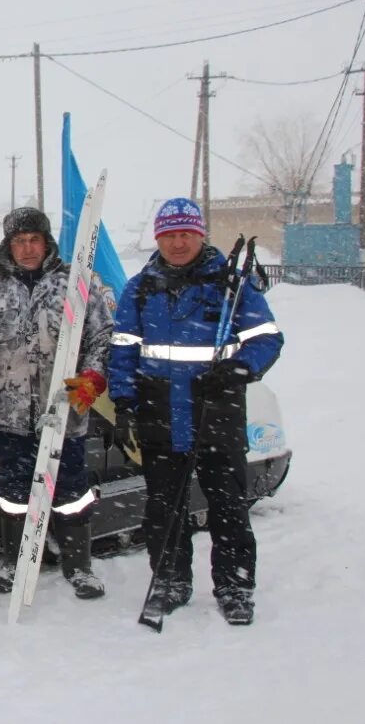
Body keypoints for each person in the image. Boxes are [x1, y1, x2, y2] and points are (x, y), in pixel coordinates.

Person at [108, 197, 283, 626]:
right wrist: (124, 402)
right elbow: (123, 350)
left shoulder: (230, 284)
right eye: (169, 235)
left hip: (216, 411)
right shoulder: (140, 287)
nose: (178, 243)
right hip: (159, 411)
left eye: (185, 234)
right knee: (163, 506)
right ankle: (170, 581)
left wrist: (240, 368)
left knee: (228, 507)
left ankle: (234, 586)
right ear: (158, 239)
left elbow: (267, 337)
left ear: (200, 235)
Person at [0, 207, 113, 600]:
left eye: (34, 240)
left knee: (71, 493)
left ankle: (79, 567)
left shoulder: (76, 287)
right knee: (12, 495)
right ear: (9, 246)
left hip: (62, 411)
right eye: (19, 241)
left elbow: (103, 337)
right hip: (9, 416)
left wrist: (93, 378)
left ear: (47, 243)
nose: (27, 249)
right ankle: (16, 561)